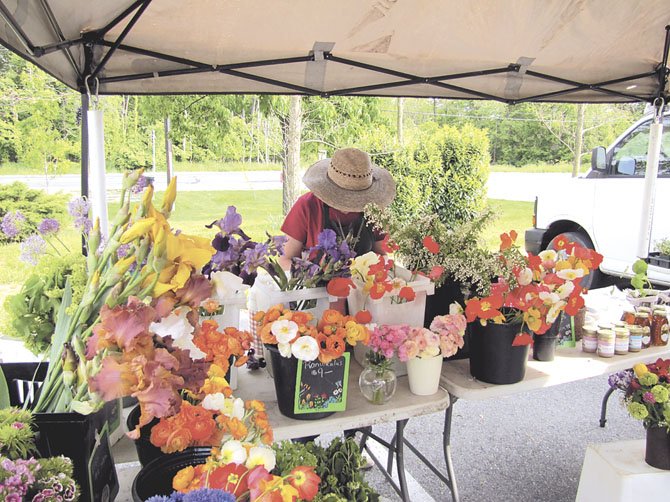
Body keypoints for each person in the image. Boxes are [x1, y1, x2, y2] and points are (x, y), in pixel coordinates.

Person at [278, 148, 396, 454]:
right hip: (317, 312)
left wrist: (377, 274)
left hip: (361, 311)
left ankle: (351, 448)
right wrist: (316, 273)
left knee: (359, 383)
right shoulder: (307, 207)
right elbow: (286, 259)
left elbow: (385, 254)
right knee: (313, 383)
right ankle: (305, 452)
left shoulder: (372, 211)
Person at [279, 147, 396, 269]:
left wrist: (373, 269)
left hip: (362, 284)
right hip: (316, 286)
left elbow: (381, 254)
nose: (348, 205)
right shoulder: (307, 206)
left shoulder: (374, 209)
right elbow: (285, 260)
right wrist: (312, 273)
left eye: (357, 198)